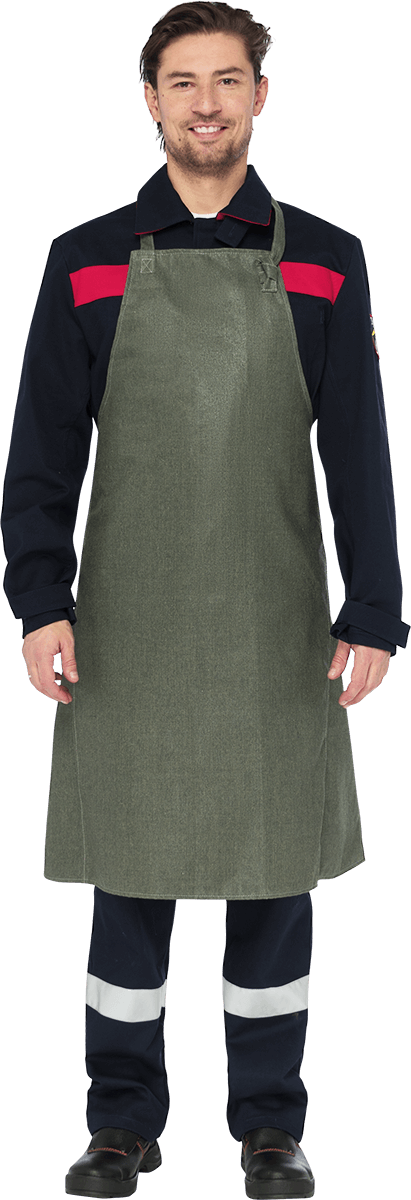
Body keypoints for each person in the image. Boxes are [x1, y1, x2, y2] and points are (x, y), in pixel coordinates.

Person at [1, 5, 409, 1198]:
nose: (208, 103)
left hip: (279, 621)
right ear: (150, 100)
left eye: (229, 79)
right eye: (183, 82)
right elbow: (42, 449)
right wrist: (39, 600)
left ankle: (271, 1125)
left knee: (276, 882)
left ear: (261, 96)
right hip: (124, 624)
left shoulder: (327, 254)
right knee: (129, 883)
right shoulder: (83, 258)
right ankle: (119, 1123)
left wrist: (373, 608)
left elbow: (358, 450)